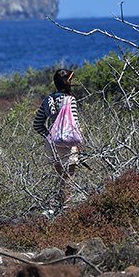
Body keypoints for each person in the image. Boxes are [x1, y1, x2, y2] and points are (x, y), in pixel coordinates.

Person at [33, 69, 82, 207]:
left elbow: (37, 124)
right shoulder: (70, 100)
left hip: (52, 145)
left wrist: (49, 136)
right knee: (68, 179)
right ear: (67, 82)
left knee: (62, 178)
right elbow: (74, 123)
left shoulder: (48, 100)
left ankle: (60, 208)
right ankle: (66, 212)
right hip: (67, 144)